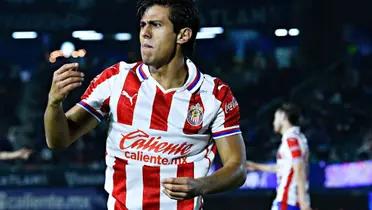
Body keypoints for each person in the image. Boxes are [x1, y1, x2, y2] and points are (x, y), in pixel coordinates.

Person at [44, 0, 247, 209]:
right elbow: (59, 140)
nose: (145, 33)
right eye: (143, 25)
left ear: (183, 35)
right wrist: (53, 104)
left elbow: (237, 168)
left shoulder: (214, 95)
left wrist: (200, 185)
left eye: (156, 25)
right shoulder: (116, 80)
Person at [246, 103, 311, 210]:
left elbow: (299, 168)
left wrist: (303, 202)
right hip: (290, 201)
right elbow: (284, 168)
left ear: (283, 116)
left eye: (275, 118)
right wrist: (254, 165)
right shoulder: (297, 138)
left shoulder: (291, 139)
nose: (273, 122)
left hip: (288, 201)